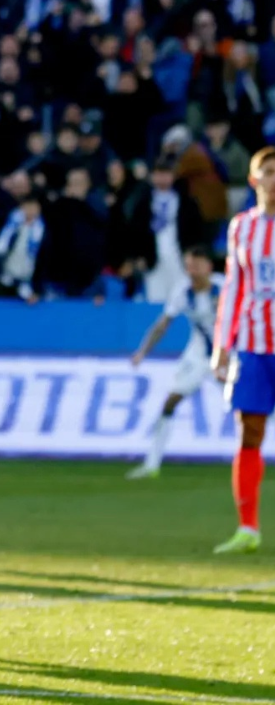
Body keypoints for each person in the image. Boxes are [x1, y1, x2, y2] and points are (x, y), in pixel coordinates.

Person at [212, 147, 275, 555]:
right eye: (268, 172)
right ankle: (247, 528)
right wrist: (222, 344)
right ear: (254, 180)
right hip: (253, 345)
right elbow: (233, 287)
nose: (274, 178)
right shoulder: (241, 228)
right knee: (248, 434)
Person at [127, 246, 222, 479]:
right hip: (198, 354)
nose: (192, 270)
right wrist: (142, 352)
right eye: (189, 265)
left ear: (208, 267)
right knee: (171, 401)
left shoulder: (226, 287)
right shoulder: (182, 291)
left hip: (229, 355)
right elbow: (162, 325)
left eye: (197, 265)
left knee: (252, 407)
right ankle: (151, 464)